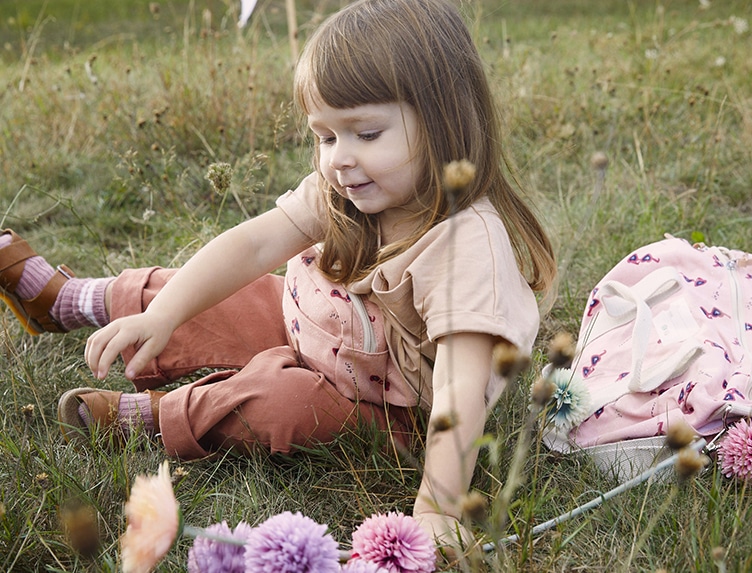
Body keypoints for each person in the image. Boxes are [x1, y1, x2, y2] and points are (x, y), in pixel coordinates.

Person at [0, 0, 555, 556]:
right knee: (213, 294)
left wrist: (438, 506)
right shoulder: (350, 187)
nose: (339, 158)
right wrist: (163, 315)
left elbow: (459, 389)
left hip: (386, 408)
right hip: (310, 320)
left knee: (283, 402)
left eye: (365, 132)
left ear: (444, 119)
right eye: (326, 135)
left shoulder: (465, 245)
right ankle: (74, 301)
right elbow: (254, 243)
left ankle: (153, 418)